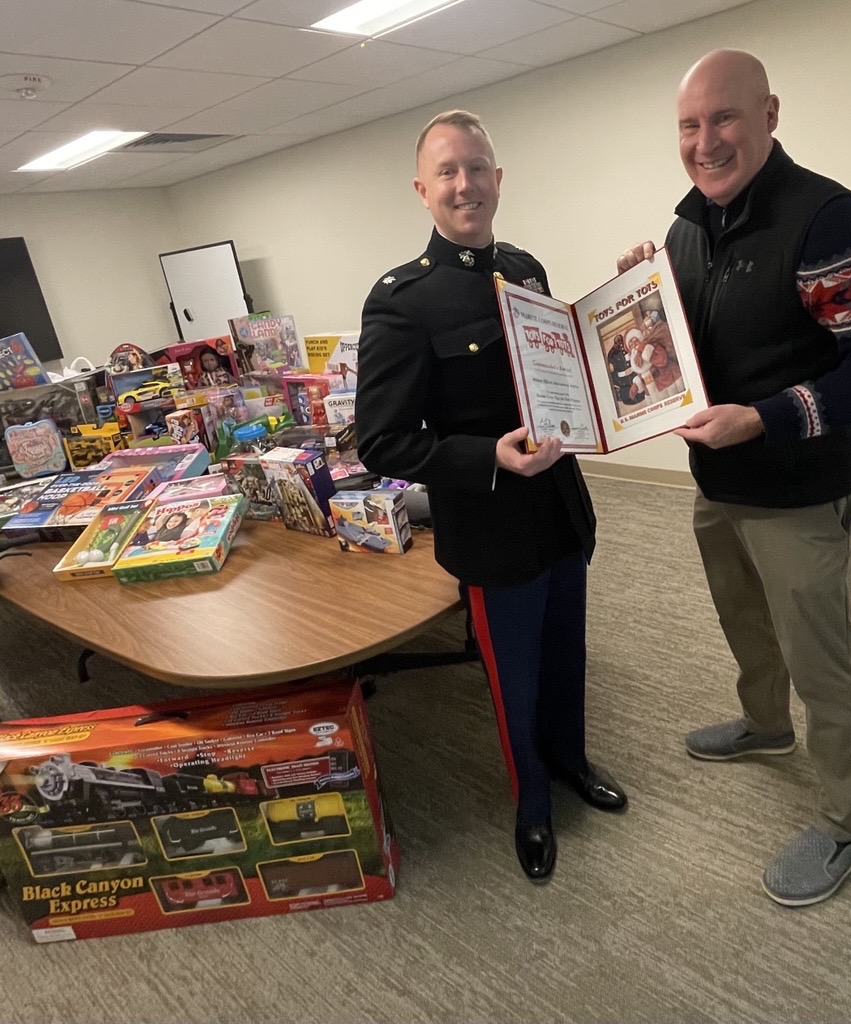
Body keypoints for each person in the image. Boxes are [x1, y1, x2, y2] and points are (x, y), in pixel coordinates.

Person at [617, 50, 851, 906]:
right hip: (720, 481)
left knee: (825, 660)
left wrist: (765, 417)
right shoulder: (685, 227)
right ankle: (767, 727)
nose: (706, 142)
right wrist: (641, 301)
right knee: (746, 623)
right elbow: (694, 355)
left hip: (801, 491)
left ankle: (848, 824)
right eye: (690, 125)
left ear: (769, 115)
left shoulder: (830, 218)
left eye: (725, 118)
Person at [356, 110, 627, 885]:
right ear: (423, 189)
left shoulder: (526, 267)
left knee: (565, 652)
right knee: (513, 676)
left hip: (561, 510)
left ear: (498, 179)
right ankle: (532, 803)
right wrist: (490, 456)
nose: (465, 184)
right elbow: (382, 442)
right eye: (447, 171)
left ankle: (571, 762)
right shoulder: (401, 301)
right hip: (491, 523)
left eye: (477, 167)